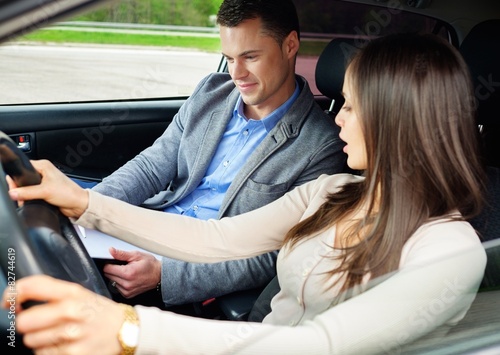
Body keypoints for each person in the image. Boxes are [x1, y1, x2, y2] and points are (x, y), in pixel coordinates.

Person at [4, 33, 487, 354]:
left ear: (397, 123)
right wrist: (86, 204)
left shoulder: (450, 252)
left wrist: (129, 329)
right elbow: (216, 239)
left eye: (354, 108)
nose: (337, 116)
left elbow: (320, 345)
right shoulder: (336, 192)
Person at [87, 0, 345, 307]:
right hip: (148, 230)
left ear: (290, 45)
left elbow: (276, 255)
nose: (237, 73)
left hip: (194, 274)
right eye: (229, 58)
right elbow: (152, 166)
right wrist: (90, 208)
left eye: (250, 57)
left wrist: (164, 276)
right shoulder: (212, 91)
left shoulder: (321, 146)